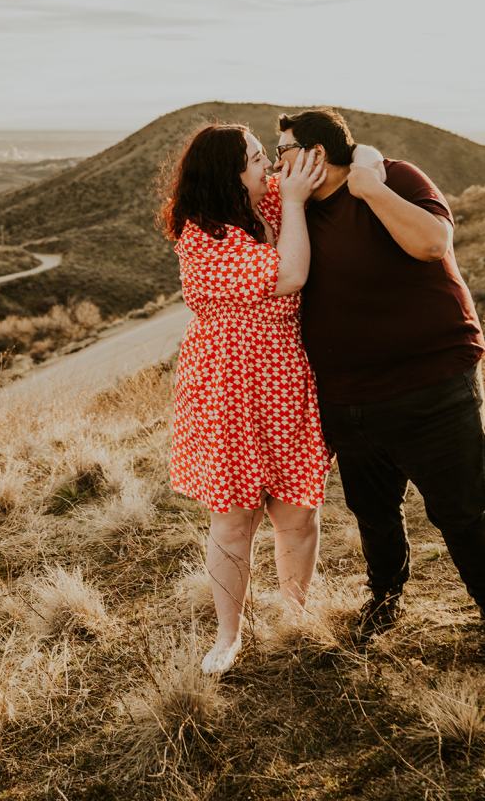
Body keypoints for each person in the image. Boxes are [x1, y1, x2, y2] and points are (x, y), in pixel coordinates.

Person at [273, 108, 485, 648]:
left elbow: (430, 244)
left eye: (282, 150)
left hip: (433, 384)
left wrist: (369, 185)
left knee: (460, 506)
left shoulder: (395, 177)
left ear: (316, 154)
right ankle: (385, 595)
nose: (278, 161)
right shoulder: (290, 211)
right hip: (347, 396)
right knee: (373, 511)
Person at [160, 124, 331, 674]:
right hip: (228, 386)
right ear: (229, 176)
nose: (270, 168)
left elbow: (327, 171)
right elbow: (291, 274)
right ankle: (228, 636)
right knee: (234, 519)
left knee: (298, 512)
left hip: (284, 378)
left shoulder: (270, 204)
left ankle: (296, 614)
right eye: (258, 159)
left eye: (267, 156)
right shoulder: (201, 236)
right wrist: (298, 203)